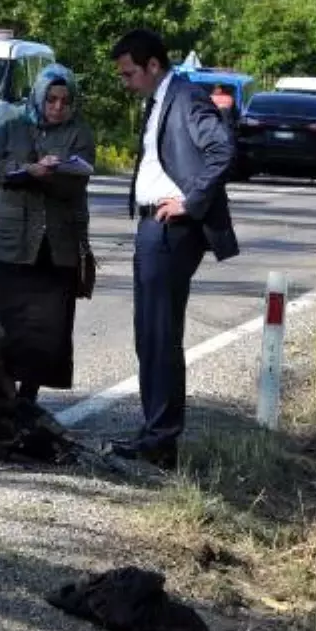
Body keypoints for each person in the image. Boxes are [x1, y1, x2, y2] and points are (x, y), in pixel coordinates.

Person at [108, 29, 240, 469]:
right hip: (152, 227)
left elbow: (222, 149)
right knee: (149, 335)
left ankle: (161, 440)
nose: (125, 82)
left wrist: (191, 201)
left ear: (152, 66)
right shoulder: (160, 99)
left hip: (172, 230)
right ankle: (154, 432)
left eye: (129, 73)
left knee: (160, 335)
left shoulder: (184, 97)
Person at [0, 63, 96, 402]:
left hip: (57, 246)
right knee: (0, 322)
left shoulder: (79, 134)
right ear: (38, 97)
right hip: (11, 244)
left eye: (65, 101)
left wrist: (51, 174)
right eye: (52, 100)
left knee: (47, 329)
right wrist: (25, 170)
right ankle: (2, 394)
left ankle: (29, 399)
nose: (58, 107)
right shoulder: (11, 128)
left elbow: (79, 178)